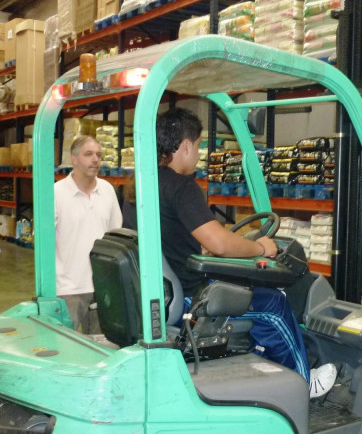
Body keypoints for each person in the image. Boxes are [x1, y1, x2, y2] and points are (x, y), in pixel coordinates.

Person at [123, 108, 336, 398]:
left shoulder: (140, 185)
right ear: (185, 145)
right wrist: (260, 247)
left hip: (161, 292)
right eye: (198, 146)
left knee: (250, 296)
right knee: (273, 304)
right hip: (188, 297)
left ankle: (270, 368)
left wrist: (229, 242)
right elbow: (219, 244)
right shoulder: (182, 187)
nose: (198, 153)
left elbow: (189, 237)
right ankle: (302, 383)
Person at [55, 135, 123, 333]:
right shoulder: (56, 193)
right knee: (65, 347)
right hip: (68, 288)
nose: (95, 159)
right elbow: (45, 243)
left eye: (98, 155)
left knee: (103, 348)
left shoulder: (108, 190)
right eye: (88, 154)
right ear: (74, 159)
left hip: (102, 286)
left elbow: (115, 236)